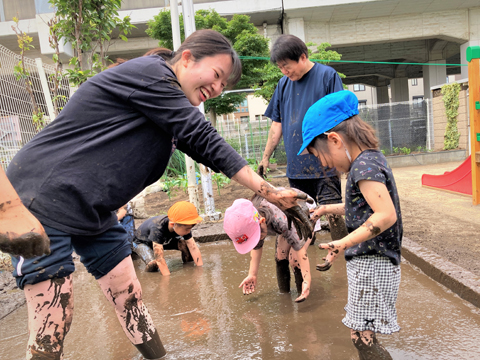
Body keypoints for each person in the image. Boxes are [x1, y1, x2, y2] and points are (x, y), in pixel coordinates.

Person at [4, 29, 312, 360]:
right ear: (188, 57)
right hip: (44, 195)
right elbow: (202, 136)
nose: (218, 89)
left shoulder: (168, 106)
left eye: (225, 85)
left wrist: (272, 194)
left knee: (129, 294)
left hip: (94, 208)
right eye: (218, 76)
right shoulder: (152, 73)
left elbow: (204, 147)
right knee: (54, 315)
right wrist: (269, 190)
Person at [299, 90, 402, 359]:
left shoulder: (363, 166)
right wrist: (325, 209)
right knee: (363, 334)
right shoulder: (369, 161)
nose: (324, 164)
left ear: (334, 139)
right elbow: (362, 207)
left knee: (361, 338)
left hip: (373, 263)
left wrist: (342, 242)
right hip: (370, 261)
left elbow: (385, 215)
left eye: (320, 157)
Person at [258, 34, 349, 243]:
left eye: (286, 65)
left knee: (333, 215)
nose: (284, 71)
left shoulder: (327, 76)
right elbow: (277, 124)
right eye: (280, 67)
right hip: (297, 167)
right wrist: (265, 157)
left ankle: (342, 257)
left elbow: (340, 120)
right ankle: (305, 263)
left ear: (302, 57)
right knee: (302, 218)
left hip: (325, 164)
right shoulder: (283, 85)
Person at [224, 195, 312, 303]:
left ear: (262, 221)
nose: (258, 240)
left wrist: (307, 279)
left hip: (304, 216)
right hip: (285, 224)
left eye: (258, 236)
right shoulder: (251, 218)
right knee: (280, 256)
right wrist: (252, 274)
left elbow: (300, 251)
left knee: (294, 259)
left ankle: (302, 294)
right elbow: (257, 247)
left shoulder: (281, 221)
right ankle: (285, 296)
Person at [132, 201, 203, 275]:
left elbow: (193, 247)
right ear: (173, 224)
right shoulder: (158, 228)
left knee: (185, 245)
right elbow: (159, 258)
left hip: (163, 240)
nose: (189, 232)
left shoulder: (183, 225)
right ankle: (149, 276)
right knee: (153, 264)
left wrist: (200, 270)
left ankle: (188, 268)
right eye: (187, 229)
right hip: (142, 243)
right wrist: (167, 279)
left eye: (190, 229)